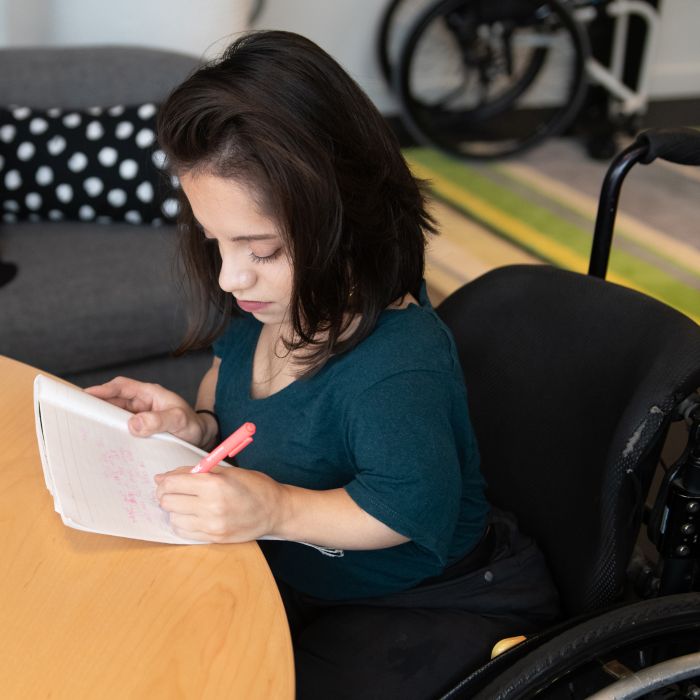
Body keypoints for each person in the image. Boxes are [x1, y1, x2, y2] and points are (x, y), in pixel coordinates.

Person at [87, 30, 559, 699]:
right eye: (214, 240)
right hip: (307, 575)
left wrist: (273, 508)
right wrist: (194, 427)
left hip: (427, 600)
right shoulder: (268, 306)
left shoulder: (398, 360)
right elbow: (234, 402)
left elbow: (405, 508)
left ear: (345, 221)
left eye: (260, 248)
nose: (227, 276)